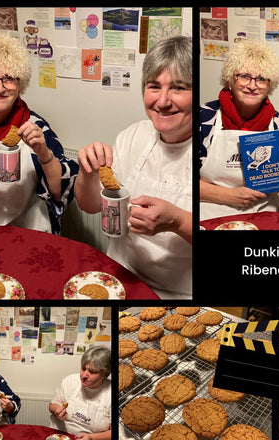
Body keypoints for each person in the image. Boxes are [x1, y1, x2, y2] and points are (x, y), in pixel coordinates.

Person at [75, 36, 192, 299]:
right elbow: (90, 206)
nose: (162, 101)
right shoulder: (132, 136)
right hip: (119, 276)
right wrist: (88, 173)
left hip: (178, 293)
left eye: (178, 88)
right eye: (153, 86)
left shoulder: (211, 151)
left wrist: (178, 220)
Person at [0, 30, 79, 233]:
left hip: (23, 232)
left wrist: (44, 154)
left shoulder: (35, 125)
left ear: (20, 84)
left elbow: (61, 192)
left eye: (9, 78)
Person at [200, 39, 279, 221]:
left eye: (261, 79)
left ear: (269, 86)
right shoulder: (204, 119)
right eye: (244, 76)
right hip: (210, 216)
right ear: (230, 80)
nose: (253, 86)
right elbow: (181, 178)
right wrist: (228, 196)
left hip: (265, 216)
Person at [49, 346, 111, 440]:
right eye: (83, 368)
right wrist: (56, 411)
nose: (84, 375)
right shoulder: (70, 381)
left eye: (92, 371)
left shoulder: (110, 394)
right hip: (60, 438)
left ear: (105, 374)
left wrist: (91, 438)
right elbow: (52, 405)